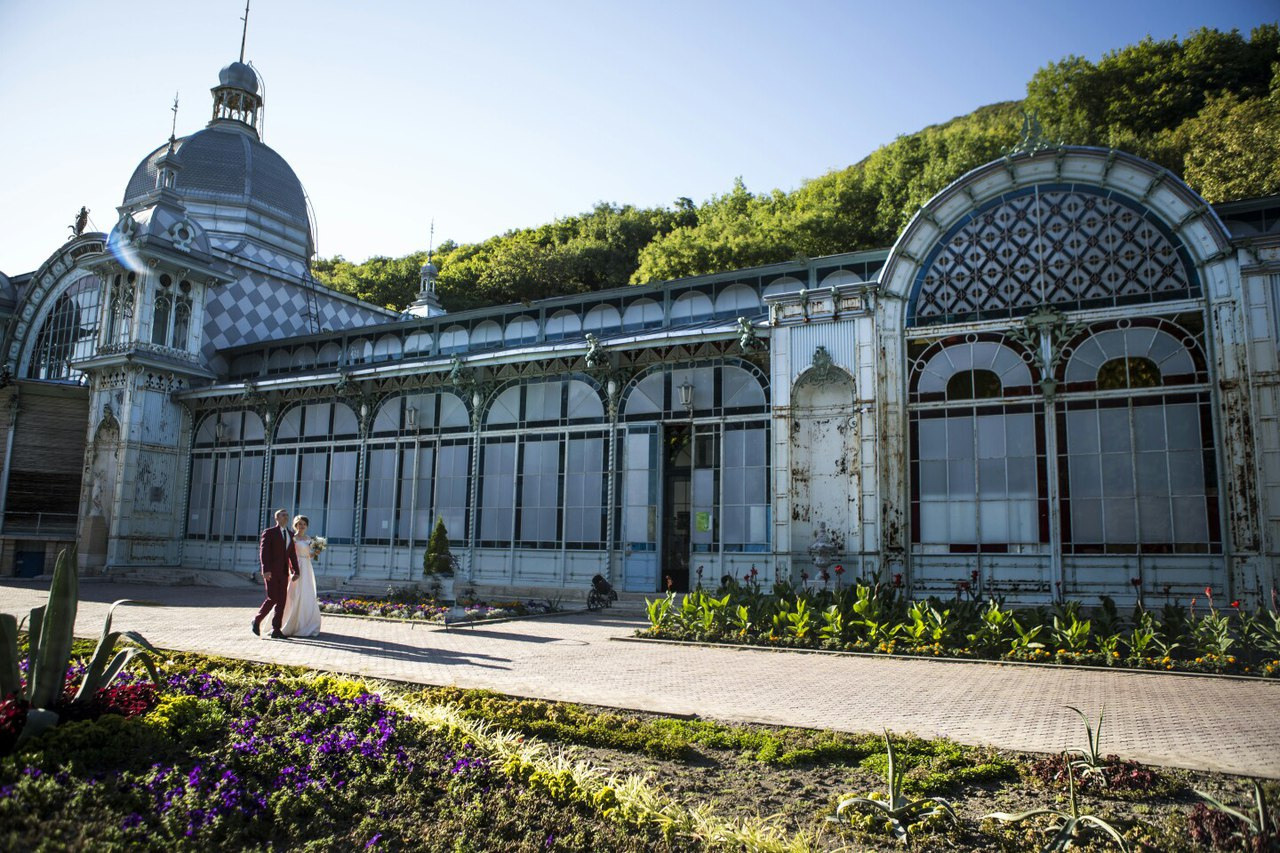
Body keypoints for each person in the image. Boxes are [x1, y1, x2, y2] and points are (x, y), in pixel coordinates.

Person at [252, 508, 299, 639]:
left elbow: (292, 555)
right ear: (276, 518)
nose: (286, 517)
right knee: (273, 598)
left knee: (282, 601)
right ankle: (257, 620)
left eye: (287, 515)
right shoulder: (269, 533)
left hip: (284, 572)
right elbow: (264, 552)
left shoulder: (290, 534)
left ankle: (276, 629)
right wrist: (265, 570)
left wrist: (296, 570)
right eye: (283, 515)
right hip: (271, 572)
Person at [281, 515, 322, 637]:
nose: (302, 526)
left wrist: (316, 553)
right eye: (299, 524)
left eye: (304, 524)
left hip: (307, 567)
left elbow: (310, 555)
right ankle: (289, 621)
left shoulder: (310, 539)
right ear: (295, 525)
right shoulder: (292, 539)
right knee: (294, 592)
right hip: (295, 566)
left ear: (307, 526)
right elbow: (288, 554)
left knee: (306, 592)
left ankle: (305, 623)